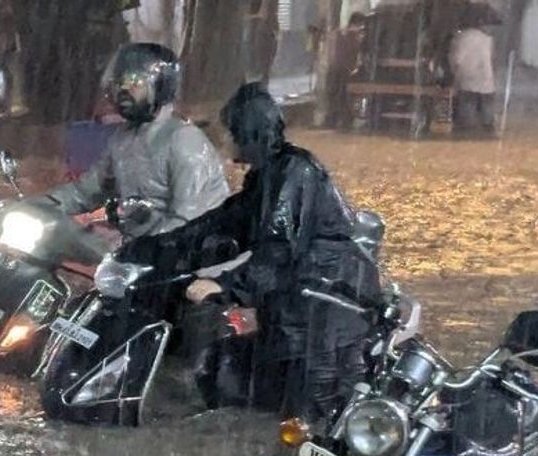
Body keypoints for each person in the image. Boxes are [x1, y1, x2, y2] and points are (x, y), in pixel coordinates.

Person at [118, 82, 382, 421]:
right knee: (224, 376)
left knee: (312, 423)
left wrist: (226, 286)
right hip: (294, 314)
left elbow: (278, 250)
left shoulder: (294, 173)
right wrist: (148, 252)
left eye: (228, 131)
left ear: (245, 130)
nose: (223, 140)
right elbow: (218, 228)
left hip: (324, 315)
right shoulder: (266, 178)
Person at [26, 43, 230, 240]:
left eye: (135, 82)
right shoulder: (123, 138)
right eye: (120, 83)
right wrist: (38, 205)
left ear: (161, 85)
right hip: (145, 253)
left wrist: (133, 246)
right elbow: (87, 191)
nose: (124, 91)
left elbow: (189, 220)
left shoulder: (184, 141)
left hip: (194, 260)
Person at [448, 11, 496, 137]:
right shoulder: (487, 38)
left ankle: (467, 134)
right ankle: (487, 133)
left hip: (467, 79)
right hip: (486, 79)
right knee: (486, 109)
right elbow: (490, 58)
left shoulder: (461, 38)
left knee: (467, 110)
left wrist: (454, 74)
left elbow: (457, 59)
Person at [325, 12, 365, 130]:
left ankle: (332, 121)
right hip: (347, 71)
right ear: (358, 24)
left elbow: (331, 53)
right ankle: (345, 122)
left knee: (334, 96)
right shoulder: (356, 36)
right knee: (345, 97)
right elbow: (356, 55)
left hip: (334, 69)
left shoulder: (337, 33)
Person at [244, 0, 279, 83]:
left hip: (263, 27)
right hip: (260, 26)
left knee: (261, 50)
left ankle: (260, 74)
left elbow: (264, 13)